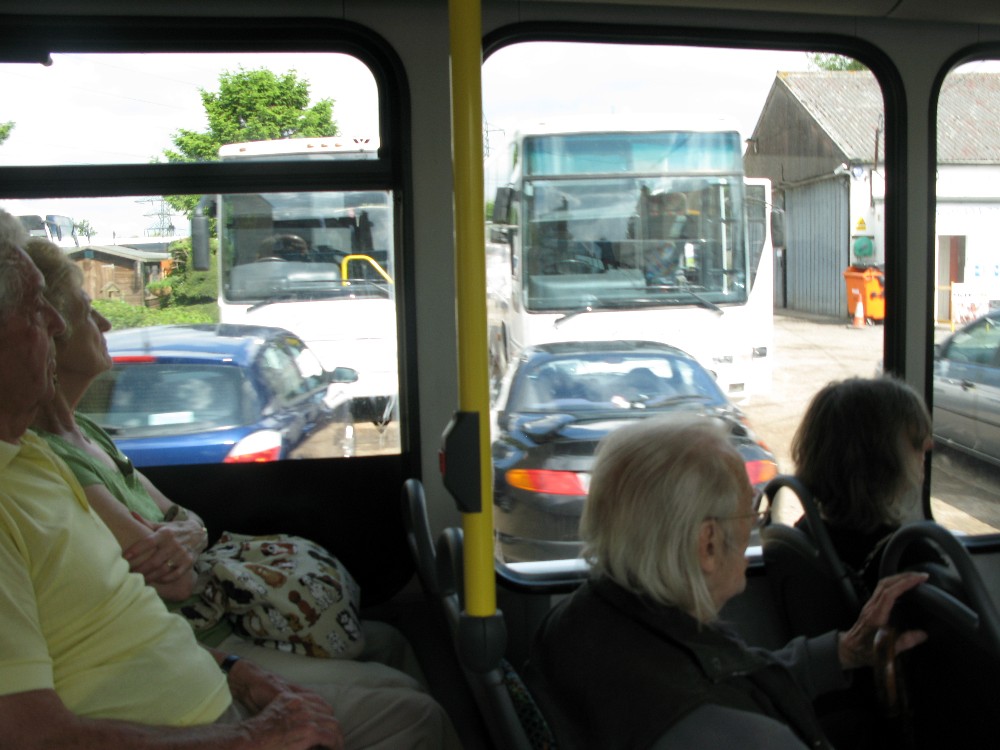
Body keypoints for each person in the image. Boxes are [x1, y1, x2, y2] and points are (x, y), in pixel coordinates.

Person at [0, 209, 440, 749]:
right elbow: (31, 730)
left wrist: (235, 668)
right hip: (193, 684)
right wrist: (254, 737)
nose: (60, 323)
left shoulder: (39, 455)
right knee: (413, 712)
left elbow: (184, 529)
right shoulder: (40, 461)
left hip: (201, 664)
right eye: (39, 310)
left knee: (396, 655)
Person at [523, 415, 928, 750]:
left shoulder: (579, 618)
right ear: (709, 544)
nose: (754, 522)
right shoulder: (730, 731)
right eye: (747, 510)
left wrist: (843, 651)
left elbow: (737, 677)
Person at [792, 376, 936, 599]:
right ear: (881, 462)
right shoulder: (908, 555)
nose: (928, 446)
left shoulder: (807, 531)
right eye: (916, 443)